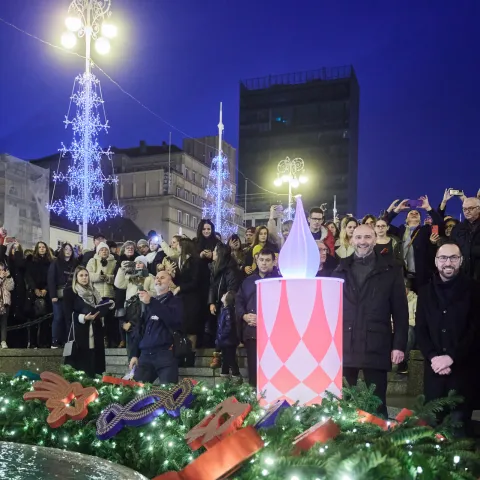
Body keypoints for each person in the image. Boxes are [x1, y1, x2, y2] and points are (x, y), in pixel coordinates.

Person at [332, 224, 409, 417]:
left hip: (376, 344)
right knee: (344, 405)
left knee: (377, 405)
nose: (362, 242)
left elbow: (400, 312)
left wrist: (399, 345)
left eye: (367, 237)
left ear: (375, 239)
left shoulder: (391, 269)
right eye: (358, 237)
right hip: (345, 344)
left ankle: (378, 442)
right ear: (351, 240)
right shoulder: (341, 268)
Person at [415, 240, 480, 436]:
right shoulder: (425, 292)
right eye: (443, 258)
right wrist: (434, 357)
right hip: (434, 371)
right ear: (436, 261)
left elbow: (475, 330)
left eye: (453, 258)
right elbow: (421, 329)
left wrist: (451, 357)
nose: (448, 262)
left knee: (459, 433)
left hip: (462, 373)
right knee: (431, 433)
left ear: (460, 261)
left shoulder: (475, 289)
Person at [236, 248, 280, 386]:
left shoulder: (279, 281)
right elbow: (239, 301)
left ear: (274, 262)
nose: (264, 263)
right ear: (256, 260)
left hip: (273, 332)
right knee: (254, 369)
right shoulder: (248, 281)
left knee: (273, 370)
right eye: (261, 260)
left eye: (268, 260)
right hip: (252, 332)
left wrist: (264, 318)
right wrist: (244, 316)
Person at [129, 270, 183, 384]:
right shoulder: (147, 303)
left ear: (170, 282)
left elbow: (173, 320)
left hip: (165, 354)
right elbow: (139, 329)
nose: (158, 280)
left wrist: (151, 302)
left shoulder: (175, 301)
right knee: (135, 393)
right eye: (156, 277)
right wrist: (134, 354)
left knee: (168, 394)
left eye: (162, 278)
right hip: (145, 356)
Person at [63, 266, 108, 377]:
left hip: (95, 329)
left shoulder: (93, 291)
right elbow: (68, 313)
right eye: (81, 275)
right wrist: (83, 317)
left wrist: (105, 308)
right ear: (76, 278)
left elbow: (99, 306)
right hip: (79, 332)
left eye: (86, 275)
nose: (84, 278)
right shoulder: (70, 291)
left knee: (95, 357)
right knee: (81, 362)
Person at [208, 243, 242, 368]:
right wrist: (211, 302)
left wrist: (226, 302)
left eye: (215, 251)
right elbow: (212, 286)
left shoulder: (230, 270)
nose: (213, 252)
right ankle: (218, 355)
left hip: (227, 304)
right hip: (218, 303)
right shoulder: (214, 267)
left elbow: (232, 289)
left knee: (225, 332)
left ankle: (226, 361)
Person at [86, 242, 117, 347]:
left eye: (106, 250)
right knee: (98, 318)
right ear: (98, 251)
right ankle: (99, 340)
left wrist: (108, 278)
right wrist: (99, 276)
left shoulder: (114, 262)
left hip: (110, 293)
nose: (104, 251)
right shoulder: (92, 261)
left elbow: (117, 277)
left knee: (110, 319)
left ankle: (110, 340)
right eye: (102, 250)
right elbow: (88, 275)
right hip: (97, 294)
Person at [48, 243, 78, 348]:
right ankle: (55, 341)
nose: (68, 251)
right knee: (58, 317)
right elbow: (51, 279)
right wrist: (53, 295)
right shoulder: (56, 263)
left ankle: (68, 341)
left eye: (70, 249)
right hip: (59, 294)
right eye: (66, 249)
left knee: (69, 319)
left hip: (71, 295)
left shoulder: (75, 263)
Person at [25, 241, 53, 348]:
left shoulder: (50, 262)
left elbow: (51, 277)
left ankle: (43, 342)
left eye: (43, 247)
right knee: (33, 319)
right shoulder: (31, 260)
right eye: (40, 247)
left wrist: (46, 289)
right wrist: (35, 288)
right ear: (37, 249)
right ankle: (33, 342)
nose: (42, 249)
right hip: (33, 292)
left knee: (45, 320)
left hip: (46, 292)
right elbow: (28, 275)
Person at [450, 197, 480, 280]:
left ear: (478, 208)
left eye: (470, 208)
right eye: (464, 209)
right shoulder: (457, 228)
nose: (467, 211)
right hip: (463, 274)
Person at [216, 291, 241, 381]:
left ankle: (236, 376)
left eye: (224, 294)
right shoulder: (224, 309)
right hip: (225, 340)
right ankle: (225, 375)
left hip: (228, 340)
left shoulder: (228, 311)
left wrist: (221, 336)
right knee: (225, 359)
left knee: (230, 358)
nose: (222, 295)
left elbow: (228, 327)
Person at [0, 263, 14, 348]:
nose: (2, 271)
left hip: (5, 303)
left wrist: (8, 277)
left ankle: (3, 341)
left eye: (3, 270)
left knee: (4, 323)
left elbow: (11, 287)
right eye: (0, 270)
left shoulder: (7, 278)